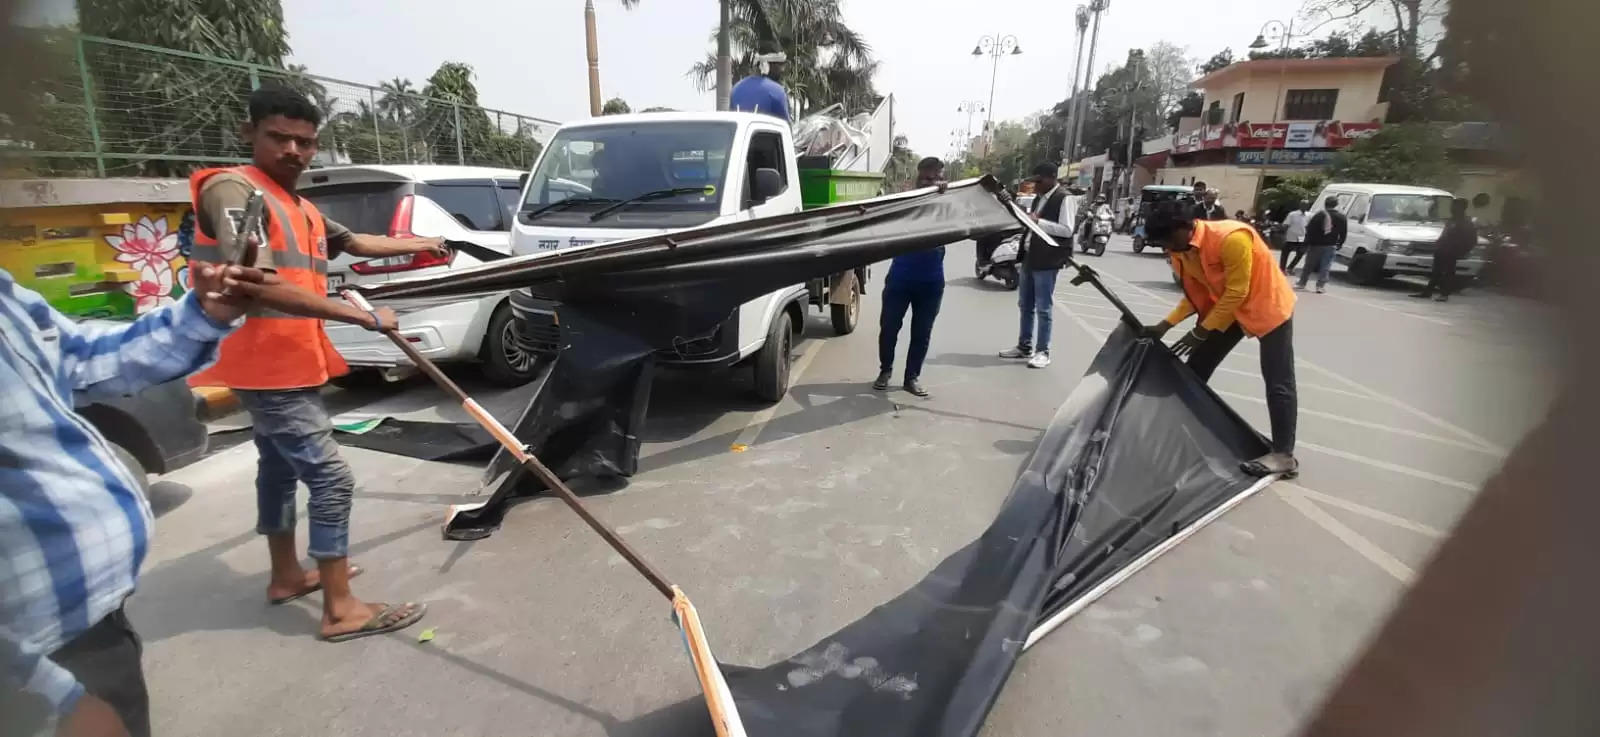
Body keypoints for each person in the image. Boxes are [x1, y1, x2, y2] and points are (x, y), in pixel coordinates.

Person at [188, 86, 431, 642]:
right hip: (263, 362)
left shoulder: (296, 203)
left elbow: (359, 243)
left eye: (306, 142)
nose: (294, 150)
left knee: (276, 469)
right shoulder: (236, 190)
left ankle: (287, 576)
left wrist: (434, 241)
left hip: (288, 360)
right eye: (280, 137)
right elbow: (258, 284)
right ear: (249, 133)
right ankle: (341, 608)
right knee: (331, 478)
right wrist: (364, 317)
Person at [1, 262, 271, 737]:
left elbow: (82, 355)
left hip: (89, 629)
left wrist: (206, 314)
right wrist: (47, 691)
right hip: (29, 670)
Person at [1139, 200, 1299, 478]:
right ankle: (1181, 430)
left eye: (1168, 238)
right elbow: (1196, 295)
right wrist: (1166, 325)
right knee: (1196, 367)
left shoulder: (1232, 238)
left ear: (1187, 227)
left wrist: (1201, 331)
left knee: (1278, 380)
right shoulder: (1180, 250)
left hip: (1266, 305)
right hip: (1227, 310)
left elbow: (1238, 291)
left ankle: (1284, 455)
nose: (1167, 246)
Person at [874, 157, 948, 397]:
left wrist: (945, 197)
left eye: (936, 177)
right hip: (900, 279)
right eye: (927, 177)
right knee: (888, 328)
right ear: (918, 177)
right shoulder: (905, 202)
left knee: (922, 333)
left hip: (931, 282)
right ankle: (885, 370)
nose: (931, 181)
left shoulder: (947, 202)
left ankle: (911, 377)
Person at [999, 163, 1076, 369]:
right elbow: (1030, 223)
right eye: (1035, 182)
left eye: (1040, 181)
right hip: (1030, 257)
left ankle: (1043, 351)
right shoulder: (1039, 199)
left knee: (1043, 308)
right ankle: (1024, 346)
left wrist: (1038, 221)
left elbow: (1067, 230)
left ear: (1052, 178)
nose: (1036, 185)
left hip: (1048, 260)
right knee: (1025, 305)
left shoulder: (1064, 198)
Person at [1410, 198, 1476, 302]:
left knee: (1449, 273)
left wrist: (1462, 251)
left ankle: (1445, 294)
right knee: (1436, 272)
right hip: (1442, 249)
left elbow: (1472, 240)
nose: (1452, 208)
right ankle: (1428, 292)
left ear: (1462, 208)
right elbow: (1444, 234)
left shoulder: (1466, 222)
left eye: (1455, 206)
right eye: (1452, 206)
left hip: (1453, 251)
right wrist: (1438, 244)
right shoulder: (1451, 220)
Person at [1298, 196, 1349, 293]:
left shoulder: (1319, 215)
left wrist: (1305, 244)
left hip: (1316, 245)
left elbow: (1310, 231)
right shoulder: (1341, 217)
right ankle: (1320, 286)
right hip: (1331, 245)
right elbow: (1343, 232)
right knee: (1326, 266)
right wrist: (1340, 243)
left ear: (1325, 204)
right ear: (1336, 205)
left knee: (1309, 265)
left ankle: (1302, 283)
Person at [729, 47, 790, 123]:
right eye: (780, 65)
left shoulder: (736, 89)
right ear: (767, 65)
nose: (782, 70)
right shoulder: (777, 92)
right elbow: (786, 129)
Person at [1280, 200, 1310, 274]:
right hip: (1291, 236)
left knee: (1301, 253)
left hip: (1301, 237)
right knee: (1285, 253)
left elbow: (1308, 226)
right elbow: (1286, 225)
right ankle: (1282, 269)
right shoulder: (1292, 214)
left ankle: (1290, 267)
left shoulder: (1309, 215)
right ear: (1300, 205)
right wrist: (1284, 236)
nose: (1305, 206)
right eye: (1303, 205)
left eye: (1306, 205)